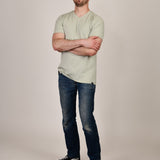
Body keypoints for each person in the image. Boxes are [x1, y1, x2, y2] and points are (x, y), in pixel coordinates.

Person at [52, 0, 104, 160]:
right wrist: (83, 41)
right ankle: (73, 155)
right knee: (67, 120)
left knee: (87, 121)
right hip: (65, 76)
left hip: (86, 79)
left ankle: (95, 158)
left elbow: (91, 51)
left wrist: (66, 44)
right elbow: (55, 44)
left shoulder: (96, 20)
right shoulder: (62, 19)